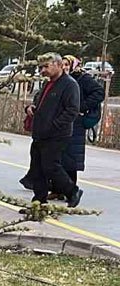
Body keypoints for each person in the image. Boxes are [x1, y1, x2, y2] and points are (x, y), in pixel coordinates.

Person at [24, 53, 82, 206]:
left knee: (51, 166)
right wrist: (30, 108)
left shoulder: (69, 84)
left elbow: (72, 110)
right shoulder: (47, 84)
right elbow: (39, 103)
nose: (43, 70)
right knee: (37, 168)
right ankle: (39, 200)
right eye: (40, 67)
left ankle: (72, 190)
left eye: (46, 66)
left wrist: (54, 125)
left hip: (56, 134)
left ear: (58, 65)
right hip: (40, 133)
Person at [61, 55, 104, 191]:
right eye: (62, 65)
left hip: (76, 122)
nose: (65, 67)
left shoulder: (82, 78)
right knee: (60, 156)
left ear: (74, 65)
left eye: (67, 64)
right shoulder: (60, 79)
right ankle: (59, 189)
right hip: (63, 120)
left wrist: (81, 106)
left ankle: (70, 189)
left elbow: (99, 92)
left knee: (71, 157)